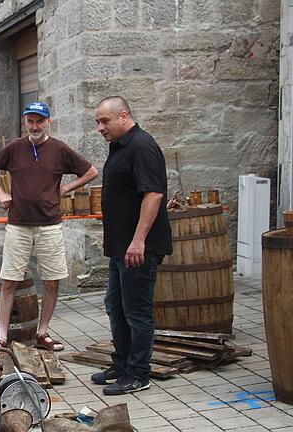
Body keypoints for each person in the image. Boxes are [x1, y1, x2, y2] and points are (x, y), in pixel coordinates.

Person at [0, 101, 98, 352]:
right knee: (9, 281)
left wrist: (65, 188)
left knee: (52, 281)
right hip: (19, 225)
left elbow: (91, 172)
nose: (34, 126)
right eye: (30, 121)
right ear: (25, 122)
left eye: (39, 121)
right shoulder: (14, 147)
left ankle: (42, 333)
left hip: (50, 225)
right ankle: (2, 338)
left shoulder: (59, 149)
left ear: (48, 122)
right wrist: (0, 192)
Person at [91, 96, 172, 395]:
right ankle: (122, 364)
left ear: (123, 116)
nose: (100, 127)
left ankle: (138, 373)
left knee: (137, 312)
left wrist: (138, 240)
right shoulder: (120, 146)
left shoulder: (141, 145)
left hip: (138, 248)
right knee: (115, 305)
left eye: (104, 121)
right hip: (120, 247)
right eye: (98, 122)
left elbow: (152, 195)